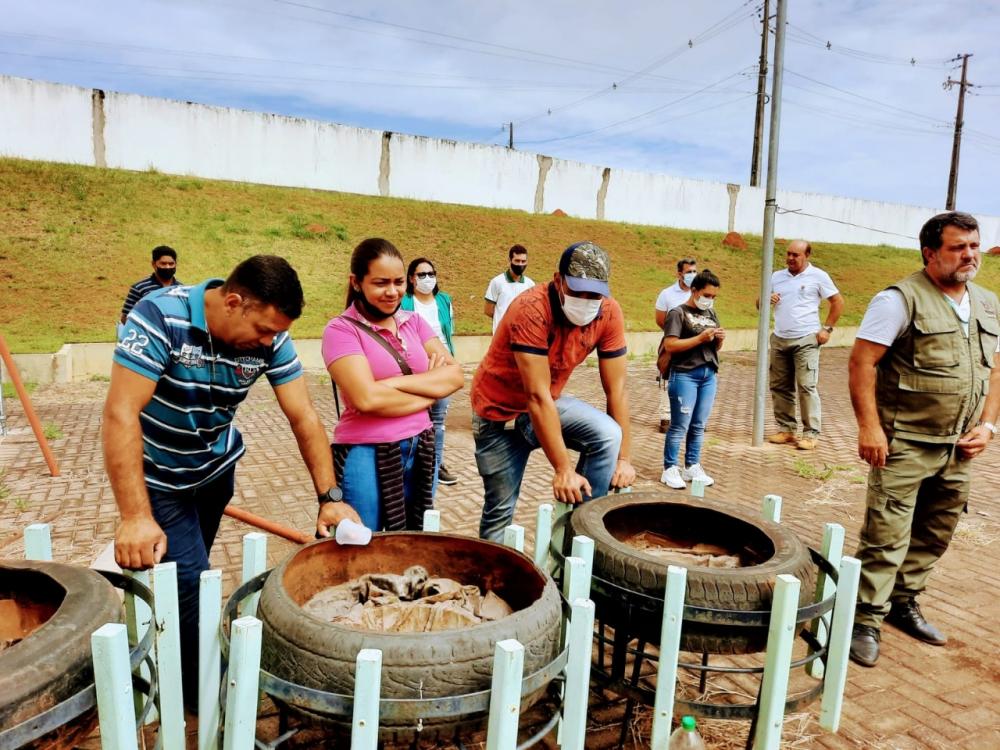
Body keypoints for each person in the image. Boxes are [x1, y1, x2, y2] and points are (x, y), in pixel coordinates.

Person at [104, 255, 357, 710]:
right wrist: (135, 516)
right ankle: (203, 696)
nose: (268, 341)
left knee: (186, 578)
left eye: (276, 333)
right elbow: (121, 411)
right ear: (234, 302)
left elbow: (303, 415)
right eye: (263, 330)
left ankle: (180, 651)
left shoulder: (272, 336)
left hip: (215, 474)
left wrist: (330, 497)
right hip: (160, 478)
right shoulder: (160, 316)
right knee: (191, 581)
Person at [847, 212, 1000, 668]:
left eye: (974, 246)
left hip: (959, 447)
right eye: (958, 247)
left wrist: (989, 425)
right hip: (905, 443)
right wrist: (869, 427)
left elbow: (996, 368)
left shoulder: (988, 303)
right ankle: (864, 619)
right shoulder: (898, 300)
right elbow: (862, 363)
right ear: (930, 253)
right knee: (886, 536)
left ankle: (903, 601)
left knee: (935, 533)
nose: (970, 255)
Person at [471, 241, 636, 541]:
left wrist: (623, 459)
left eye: (594, 295)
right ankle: (492, 568)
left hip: (548, 402)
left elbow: (618, 389)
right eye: (578, 292)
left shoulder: (608, 313)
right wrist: (563, 469)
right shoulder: (532, 309)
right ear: (558, 280)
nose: (586, 301)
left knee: (609, 436)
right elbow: (535, 395)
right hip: (499, 417)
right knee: (499, 513)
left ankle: (580, 541)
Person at [323, 239, 464, 531]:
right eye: (380, 283)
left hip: (421, 446)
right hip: (366, 449)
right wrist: (429, 394)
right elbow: (366, 399)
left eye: (398, 282)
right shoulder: (341, 330)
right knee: (365, 540)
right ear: (356, 282)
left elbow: (454, 376)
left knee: (413, 539)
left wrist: (391, 384)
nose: (392, 291)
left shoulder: (414, 322)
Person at [764, 240, 844, 450]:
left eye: (795, 255)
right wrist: (766, 299)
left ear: (807, 255)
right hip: (780, 338)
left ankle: (810, 434)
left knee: (806, 386)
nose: (790, 258)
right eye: (788, 254)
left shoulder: (818, 276)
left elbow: (837, 302)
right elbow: (759, 303)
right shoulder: (776, 276)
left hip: (806, 339)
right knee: (780, 386)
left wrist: (827, 329)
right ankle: (787, 429)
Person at [659, 270, 725, 490]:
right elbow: (670, 345)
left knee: (698, 424)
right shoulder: (678, 313)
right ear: (694, 290)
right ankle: (670, 467)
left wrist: (718, 340)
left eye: (714, 296)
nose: (710, 300)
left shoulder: (711, 313)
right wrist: (699, 338)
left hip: (708, 374)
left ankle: (692, 465)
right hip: (685, 373)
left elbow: (714, 347)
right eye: (707, 295)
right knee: (680, 424)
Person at [401, 256, 459, 486]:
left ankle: (436, 464)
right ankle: (412, 462)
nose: (427, 278)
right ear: (411, 278)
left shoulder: (444, 300)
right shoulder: (405, 302)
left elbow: (448, 331)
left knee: (438, 419)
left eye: (431, 274)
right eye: (422, 274)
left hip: (442, 365)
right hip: (416, 366)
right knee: (414, 414)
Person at [653, 257, 698, 433]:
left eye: (694, 271)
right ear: (679, 274)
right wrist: (675, 334)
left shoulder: (699, 293)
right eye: (689, 272)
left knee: (693, 379)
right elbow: (660, 319)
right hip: (672, 342)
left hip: (695, 343)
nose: (692, 275)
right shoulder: (667, 294)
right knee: (667, 377)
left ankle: (691, 417)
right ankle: (665, 417)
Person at [120, 245, 182, 325]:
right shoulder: (139, 288)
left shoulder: (181, 289)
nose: (167, 267)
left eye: (171, 264)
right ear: (153, 264)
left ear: (176, 264)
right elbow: (125, 318)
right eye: (163, 263)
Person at [484, 244, 534, 334]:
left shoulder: (530, 284)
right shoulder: (497, 282)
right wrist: (503, 318)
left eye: (523, 261)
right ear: (509, 260)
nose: (520, 264)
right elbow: (488, 310)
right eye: (517, 261)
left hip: (522, 335)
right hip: (501, 335)